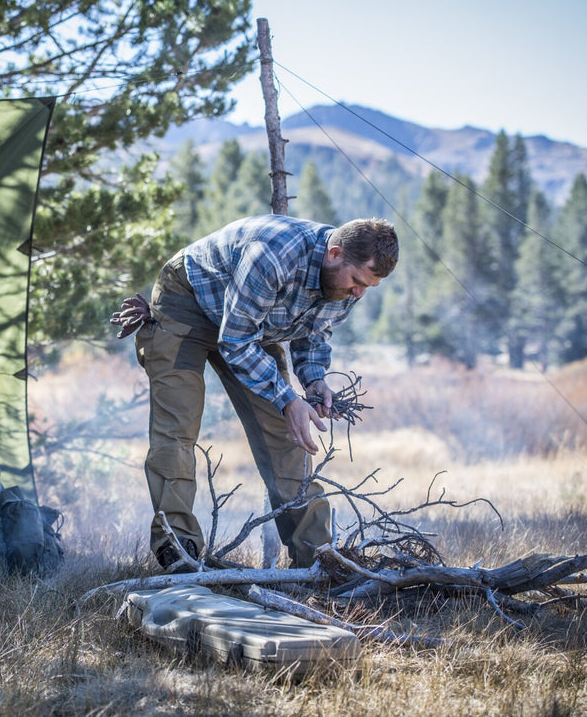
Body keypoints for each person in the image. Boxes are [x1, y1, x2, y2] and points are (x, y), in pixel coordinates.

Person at [112, 215, 399, 569]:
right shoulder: (273, 255)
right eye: (357, 281)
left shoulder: (347, 283)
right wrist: (287, 398)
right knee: (178, 427)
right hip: (187, 304)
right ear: (335, 253)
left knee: (287, 436)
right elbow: (234, 341)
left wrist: (313, 381)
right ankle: (178, 549)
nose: (359, 293)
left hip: (249, 327)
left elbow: (314, 332)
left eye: (368, 287)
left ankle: (318, 558)